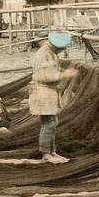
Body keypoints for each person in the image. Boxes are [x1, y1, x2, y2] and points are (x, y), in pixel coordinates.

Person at [30, 31, 78, 164]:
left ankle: (52, 152)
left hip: (49, 92)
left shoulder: (50, 53)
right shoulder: (44, 54)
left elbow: (52, 69)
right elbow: (46, 76)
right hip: (43, 92)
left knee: (52, 122)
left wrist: (62, 71)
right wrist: (65, 74)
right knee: (49, 123)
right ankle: (46, 154)